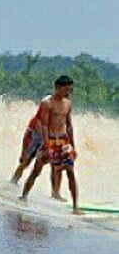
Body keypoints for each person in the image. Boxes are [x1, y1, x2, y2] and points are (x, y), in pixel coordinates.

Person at [19, 76, 82, 214]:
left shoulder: (68, 103)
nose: (68, 93)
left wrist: (73, 146)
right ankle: (23, 196)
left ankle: (75, 207)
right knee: (37, 170)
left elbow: (69, 126)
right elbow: (44, 126)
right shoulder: (47, 103)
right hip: (51, 140)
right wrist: (46, 147)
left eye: (70, 90)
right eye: (66, 90)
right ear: (57, 87)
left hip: (63, 141)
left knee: (70, 172)